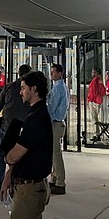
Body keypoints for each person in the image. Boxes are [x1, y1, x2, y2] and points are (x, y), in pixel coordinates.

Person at [0, 70, 53, 219]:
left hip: (29, 190)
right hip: (30, 186)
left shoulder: (37, 119)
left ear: (34, 89)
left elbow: (16, 155)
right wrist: (10, 174)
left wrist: (7, 157)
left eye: (23, 88)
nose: (20, 92)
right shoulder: (36, 113)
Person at [0, 64, 32, 193]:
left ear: (18, 73)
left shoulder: (9, 87)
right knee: (20, 156)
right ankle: (17, 181)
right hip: (23, 128)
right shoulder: (31, 89)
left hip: (7, 126)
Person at [47, 63, 69, 195]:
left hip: (55, 122)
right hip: (57, 122)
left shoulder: (58, 88)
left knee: (56, 154)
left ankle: (60, 182)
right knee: (54, 153)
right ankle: (55, 178)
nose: (51, 74)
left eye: (53, 72)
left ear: (60, 73)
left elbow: (52, 106)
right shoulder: (60, 87)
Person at [85, 68, 105, 142]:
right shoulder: (100, 80)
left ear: (96, 73)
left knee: (94, 119)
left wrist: (91, 99)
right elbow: (103, 90)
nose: (91, 73)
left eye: (93, 72)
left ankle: (96, 134)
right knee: (96, 118)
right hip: (99, 101)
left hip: (93, 101)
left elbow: (93, 91)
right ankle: (97, 133)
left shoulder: (94, 80)